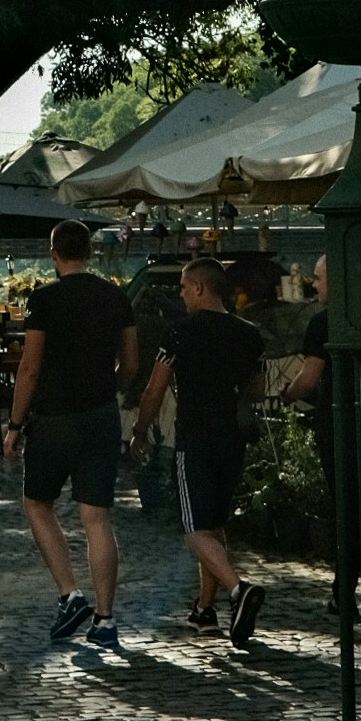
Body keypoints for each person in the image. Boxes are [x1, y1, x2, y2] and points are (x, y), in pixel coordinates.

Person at [2, 220, 139, 649]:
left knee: (37, 503)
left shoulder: (44, 299)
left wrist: (14, 424)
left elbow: (30, 367)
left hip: (54, 417)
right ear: (90, 253)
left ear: (54, 254)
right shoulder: (116, 297)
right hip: (100, 415)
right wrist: (109, 387)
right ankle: (105, 618)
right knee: (96, 517)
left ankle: (69, 593)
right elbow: (132, 364)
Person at [130, 255, 268, 646]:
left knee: (193, 531)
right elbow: (258, 391)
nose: (180, 294)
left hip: (195, 438)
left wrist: (140, 430)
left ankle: (239, 589)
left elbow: (154, 389)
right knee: (214, 525)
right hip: (233, 439)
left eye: (184, 287)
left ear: (199, 288)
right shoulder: (249, 333)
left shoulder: (180, 332)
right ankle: (205, 610)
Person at [282, 253, 340, 610]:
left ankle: (343, 588)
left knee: (343, 503)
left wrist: (288, 393)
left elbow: (308, 379)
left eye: (319, 278)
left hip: (335, 420)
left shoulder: (323, 323)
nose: (314, 284)